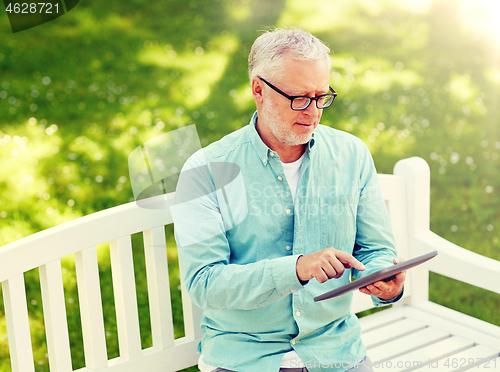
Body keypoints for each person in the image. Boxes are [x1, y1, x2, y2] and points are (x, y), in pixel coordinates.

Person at [171, 27, 406, 372]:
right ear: (259, 90)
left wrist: (383, 280)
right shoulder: (207, 170)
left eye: (321, 97)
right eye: (299, 98)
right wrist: (296, 269)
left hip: (335, 350)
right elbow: (205, 284)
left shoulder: (351, 155)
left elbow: (376, 249)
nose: (312, 112)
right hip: (245, 356)